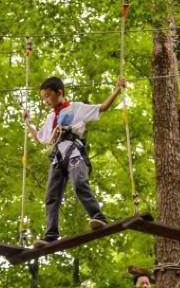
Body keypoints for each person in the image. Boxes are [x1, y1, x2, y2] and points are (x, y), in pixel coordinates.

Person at [24, 76, 126, 247]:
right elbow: (41, 138)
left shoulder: (76, 108)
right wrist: (28, 123)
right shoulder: (51, 118)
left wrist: (117, 89)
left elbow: (102, 107)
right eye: (44, 98)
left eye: (48, 96)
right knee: (51, 196)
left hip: (74, 152)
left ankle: (98, 216)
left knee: (79, 183)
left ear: (59, 92)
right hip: (57, 157)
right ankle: (51, 235)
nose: (46, 101)